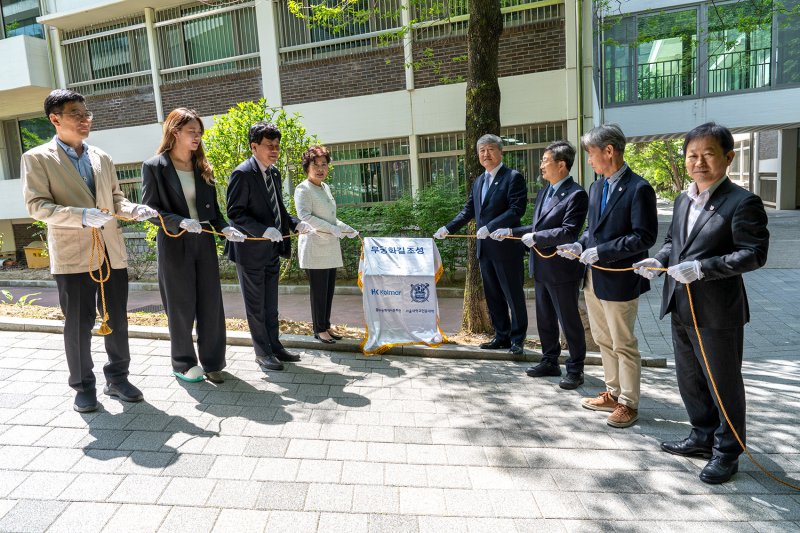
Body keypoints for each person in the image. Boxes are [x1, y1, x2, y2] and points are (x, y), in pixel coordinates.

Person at [633, 122, 769, 484]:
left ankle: (728, 452)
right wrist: (658, 261)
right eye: (693, 155)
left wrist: (703, 268)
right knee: (690, 378)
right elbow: (671, 242)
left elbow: (754, 254)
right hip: (680, 303)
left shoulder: (743, 202)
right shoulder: (682, 198)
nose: (699, 161)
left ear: (727, 157)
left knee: (723, 382)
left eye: (708, 154)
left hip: (717, 312)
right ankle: (702, 436)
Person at [21, 89, 159, 412]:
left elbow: (115, 197)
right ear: (55, 119)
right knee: (79, 324)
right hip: (73, 255)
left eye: (87, 114)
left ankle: (118, 377)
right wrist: (80, 216)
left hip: (110, 251)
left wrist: (133, 210)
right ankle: (83, 386)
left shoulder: (101, 157)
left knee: (118, 319)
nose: (85, 120)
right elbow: (37, 206)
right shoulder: (37, 159)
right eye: (76, 114)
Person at [556, 124, 657, 428]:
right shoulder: (597, 187)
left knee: (623, 342)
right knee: (602, 339)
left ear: (609, 151)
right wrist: (579, 244)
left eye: (590, 153)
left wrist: (603, 251)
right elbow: (593, 231)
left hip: (620, 278)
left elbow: (644, 236)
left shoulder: (639, 188)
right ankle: (613, 393)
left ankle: (629, 402)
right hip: (592, 277)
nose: (588, 159)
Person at [141, 108, 246, 384]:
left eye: (200, 132)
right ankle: (184, 363)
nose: (197, 137)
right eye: (192, 132)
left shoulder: (202, 167)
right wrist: (180, 221)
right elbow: (150, 210)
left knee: (211, 303)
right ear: (175, 132)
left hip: (204, 242)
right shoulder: (154, 166)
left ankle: (213, 362)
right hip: (175, 243)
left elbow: (215, 213)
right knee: (180, 305)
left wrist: (226, 229)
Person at [495, 140, 588, 389]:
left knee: (568, 320)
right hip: (541, 266)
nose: (541, 167)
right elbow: (537, 228)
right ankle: (550, 360)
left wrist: (536, 238)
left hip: (562, 269)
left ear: (562, 164)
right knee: (545, 317)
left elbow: (569, 232)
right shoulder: (547, 190)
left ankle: (576, 369)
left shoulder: (576, 194)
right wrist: (512, 231)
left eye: (545, 161)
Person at [226, 122, 311, 372]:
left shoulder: (273, 172)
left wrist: (295, 224)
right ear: (254, 147)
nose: (274, 150)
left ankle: (275, 346)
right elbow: (235, 214)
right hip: (250, 252)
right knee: (256, 306)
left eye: (277, 146)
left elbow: (278, 210)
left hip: (272, 249)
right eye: (269, 146)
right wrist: (262, 231)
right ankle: (262, 353)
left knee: (270, 304)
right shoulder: (242, 173)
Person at [434, 134, 528, 355]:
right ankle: (501, 336)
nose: (486, 154)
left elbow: (517, 209)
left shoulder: (512, 177)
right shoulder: (479, 181)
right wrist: (448, 228)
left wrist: (492, 226)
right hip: (485, 250)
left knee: (513, 295)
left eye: (490, 149)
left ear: (500, 152)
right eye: (482, 151)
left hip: (506, 249)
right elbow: (469, 210)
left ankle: (517, 340)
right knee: (493, 295)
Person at [294, 145, 359, 344]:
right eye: (316, 165)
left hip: (330, 246)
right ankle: (318, 329)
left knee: (328, 290)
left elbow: (332, 218)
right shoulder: (303, 189)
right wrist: (332, 229)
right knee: (319, 291)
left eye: (324, 164)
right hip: (314, 247)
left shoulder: (325, 187)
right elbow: (304, 216)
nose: (321, 168)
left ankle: (326, 326)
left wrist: (346, 228)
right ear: (307, 166)